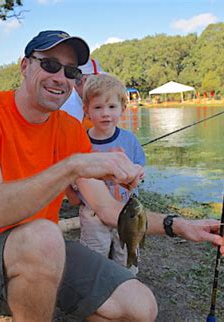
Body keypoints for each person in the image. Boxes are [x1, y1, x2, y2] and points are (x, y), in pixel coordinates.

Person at [0, 30, 224, 321]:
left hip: (44, 250)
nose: (60, 78)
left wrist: (179, 226)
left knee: (141, 307)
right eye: (50, 65)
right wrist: (73, 166)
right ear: (25, 66)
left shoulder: (69, 129)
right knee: (45, 235)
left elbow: (106, 209)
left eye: (70, 72)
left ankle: (39, 289)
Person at [77, 73, 146, 275]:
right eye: (98, 107)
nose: (105, 113)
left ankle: (126, 283)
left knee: (125, 253)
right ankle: (95, 287)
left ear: (123, 109)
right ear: (86, 111)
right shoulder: (81, 142)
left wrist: (136, 174)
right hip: (92, 213)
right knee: (94, 255)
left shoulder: (129, 140)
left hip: (126, 210)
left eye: (112, 107)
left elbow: (139, 169)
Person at [60, 57, 103, 122]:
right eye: (99, 81)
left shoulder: (74, 98)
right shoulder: (70, 106)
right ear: (85, 80)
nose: (102, 86)